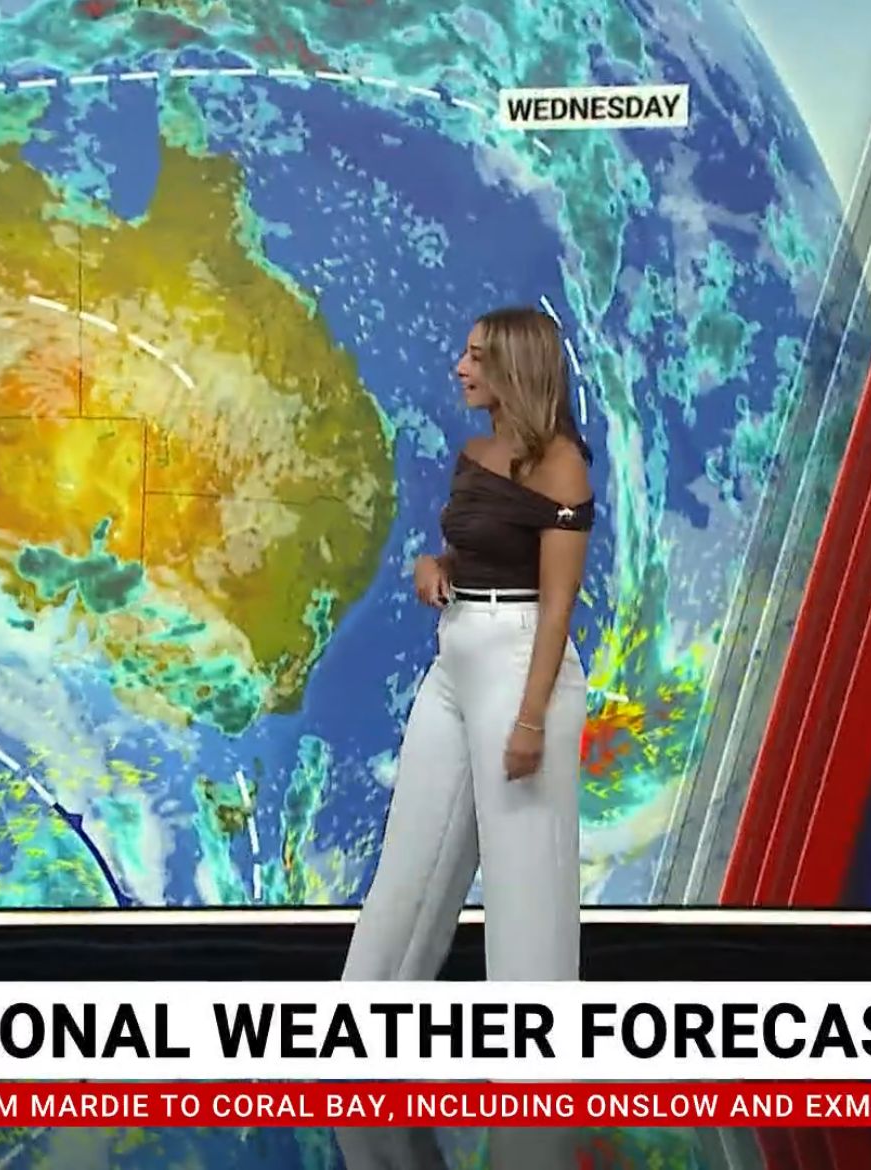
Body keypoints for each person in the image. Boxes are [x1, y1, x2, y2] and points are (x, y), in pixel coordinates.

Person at [335, 306, 594, 1170]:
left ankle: (535, 1095)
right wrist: (433, 567)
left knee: (526, 890)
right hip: (454, 661)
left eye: (476, 357)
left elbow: (555, 604)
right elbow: (476, 552)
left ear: (515, 367)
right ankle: (361, 1038)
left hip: (521, 667)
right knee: (409, 865)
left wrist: (529, 719)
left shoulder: (561, 466)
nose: (459, 367)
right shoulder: (476, 454)